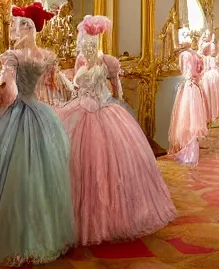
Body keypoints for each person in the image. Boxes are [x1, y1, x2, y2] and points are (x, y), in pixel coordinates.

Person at [57, 15, 175, 244]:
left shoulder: (108, 62)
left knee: (111, 164)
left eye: (91, 43)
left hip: (104, 109)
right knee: (82, 163)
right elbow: (75, 90)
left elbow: (117, 91)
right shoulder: (80, 62)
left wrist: (114, 105)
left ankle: (115, 214)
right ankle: (78, 214)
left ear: (97, 41)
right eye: (85, 43)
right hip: (81, 110)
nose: (87, 47)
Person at [0, 2, 75, 266]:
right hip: (40, 112)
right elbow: (60, 84)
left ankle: (18, 238)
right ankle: (40, 233)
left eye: (20, 25)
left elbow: (7, 90)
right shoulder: (45, 56)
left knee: (16, 175)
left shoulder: (13, 56)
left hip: (18, 111)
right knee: (40, 177)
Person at [168, 28, 208, 160]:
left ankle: (188, 148)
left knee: (185, 116)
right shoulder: (195, 55)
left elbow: (184, 71)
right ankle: (191, 147)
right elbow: (199, 71)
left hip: (188, 86)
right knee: (192, 117)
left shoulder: (184, 55)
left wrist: (189, 79)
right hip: (194, 86)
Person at [200, 34, 219, 123]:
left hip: (212, 77)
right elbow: (206, 68)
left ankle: (214, 113)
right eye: (212, 50)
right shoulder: (207, 58)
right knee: (210, 94)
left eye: (214, 50)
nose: (214, 51)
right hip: (211, 77)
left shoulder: (211, 58)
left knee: (214, 94)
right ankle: (211, 113)